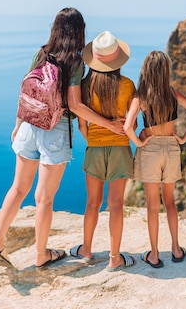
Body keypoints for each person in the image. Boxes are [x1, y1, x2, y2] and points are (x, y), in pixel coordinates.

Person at [0, 8, 125, 269]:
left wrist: (17, 125)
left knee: (18, 189)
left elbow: (25, 90)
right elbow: (74, 105)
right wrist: (108, 123)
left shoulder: (41, 53)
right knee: (45, 199)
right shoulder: (74, 61)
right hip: (55, 130)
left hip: (29, 124)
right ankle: (41, 255)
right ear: (79, 31)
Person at [124, 50, 186, 268]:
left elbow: (127, 127)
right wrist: (184, 137)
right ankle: (177, 249)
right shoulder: (172, 93)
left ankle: (155, 254)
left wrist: (139, 143)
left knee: (152, 205)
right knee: (169, 202)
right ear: (165, 71)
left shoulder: (141, 97)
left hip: (150, 149)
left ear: (146, 71)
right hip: (170, 147)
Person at [70, 31, 137, 271]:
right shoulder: (128, 85)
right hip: (120, 149)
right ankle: (114, 257)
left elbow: (80, 123)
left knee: (92, 203)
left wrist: (95, 140)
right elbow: (132, 125)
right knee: (116, 204)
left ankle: (86, 249)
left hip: (94, 149)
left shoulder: (85, 86)